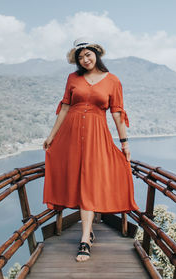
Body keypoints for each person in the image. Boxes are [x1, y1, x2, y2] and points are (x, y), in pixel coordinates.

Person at [42, 38, 139, 262]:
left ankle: (85, 238)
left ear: (96, 54)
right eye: (80, 57)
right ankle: (87, 234)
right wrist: (51, 136)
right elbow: (65, 107)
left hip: (97, 136)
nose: (85, 60)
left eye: (88, 55)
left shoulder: (113, 81)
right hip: (71, 135)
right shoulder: (72, 78)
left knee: (90, 182)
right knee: (77, 180)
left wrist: (124, 143)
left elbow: (117, 113)